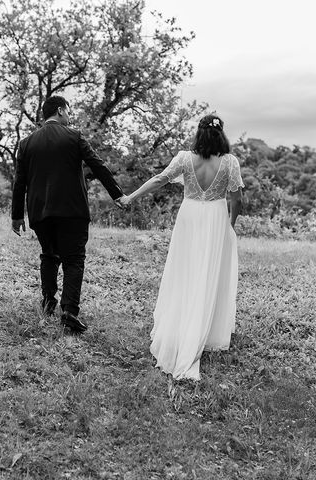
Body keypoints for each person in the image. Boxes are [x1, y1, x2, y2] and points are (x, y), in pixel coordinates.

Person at [122, 114, 244, 380]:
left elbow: (159, 179)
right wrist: (230, 224)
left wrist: (131, 196)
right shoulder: (230, 163)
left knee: (185, 271)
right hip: (215, 218)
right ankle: (203, 330)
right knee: (208, 274)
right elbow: (236, 198)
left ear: (199, 134)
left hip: (189, 216)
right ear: (221, 135)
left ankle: (181, 328)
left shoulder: (184, 158)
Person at [11, 96, 126, 333]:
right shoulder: (74, 136)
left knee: (49, 255)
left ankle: (48, 302)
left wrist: (16, 215)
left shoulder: (26, 143)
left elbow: (19, 181)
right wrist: (117, 194)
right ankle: (69, 312)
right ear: (61, 111)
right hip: (72, 211)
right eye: (69, 112)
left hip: (40, 211)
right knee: (74, 260)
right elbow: (97, 165)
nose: (69, 117)